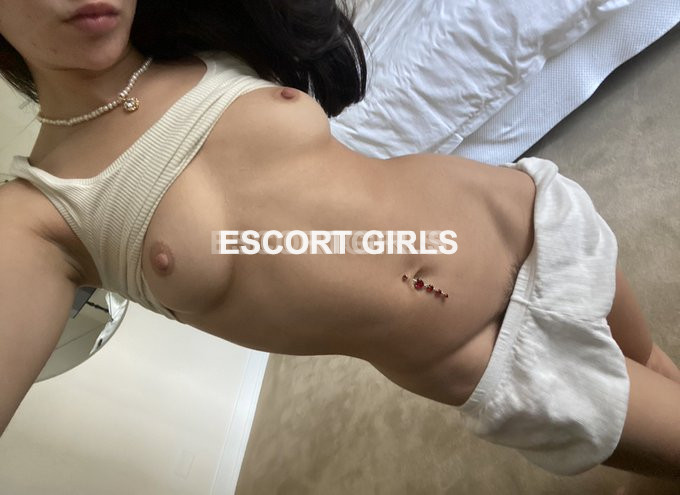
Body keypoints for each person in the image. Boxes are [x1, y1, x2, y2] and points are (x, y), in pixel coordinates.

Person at [0, 0, 679, 481]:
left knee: (648, 358)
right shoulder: (40, 215)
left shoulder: (199, 42)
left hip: (528, 211)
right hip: (491, 353)